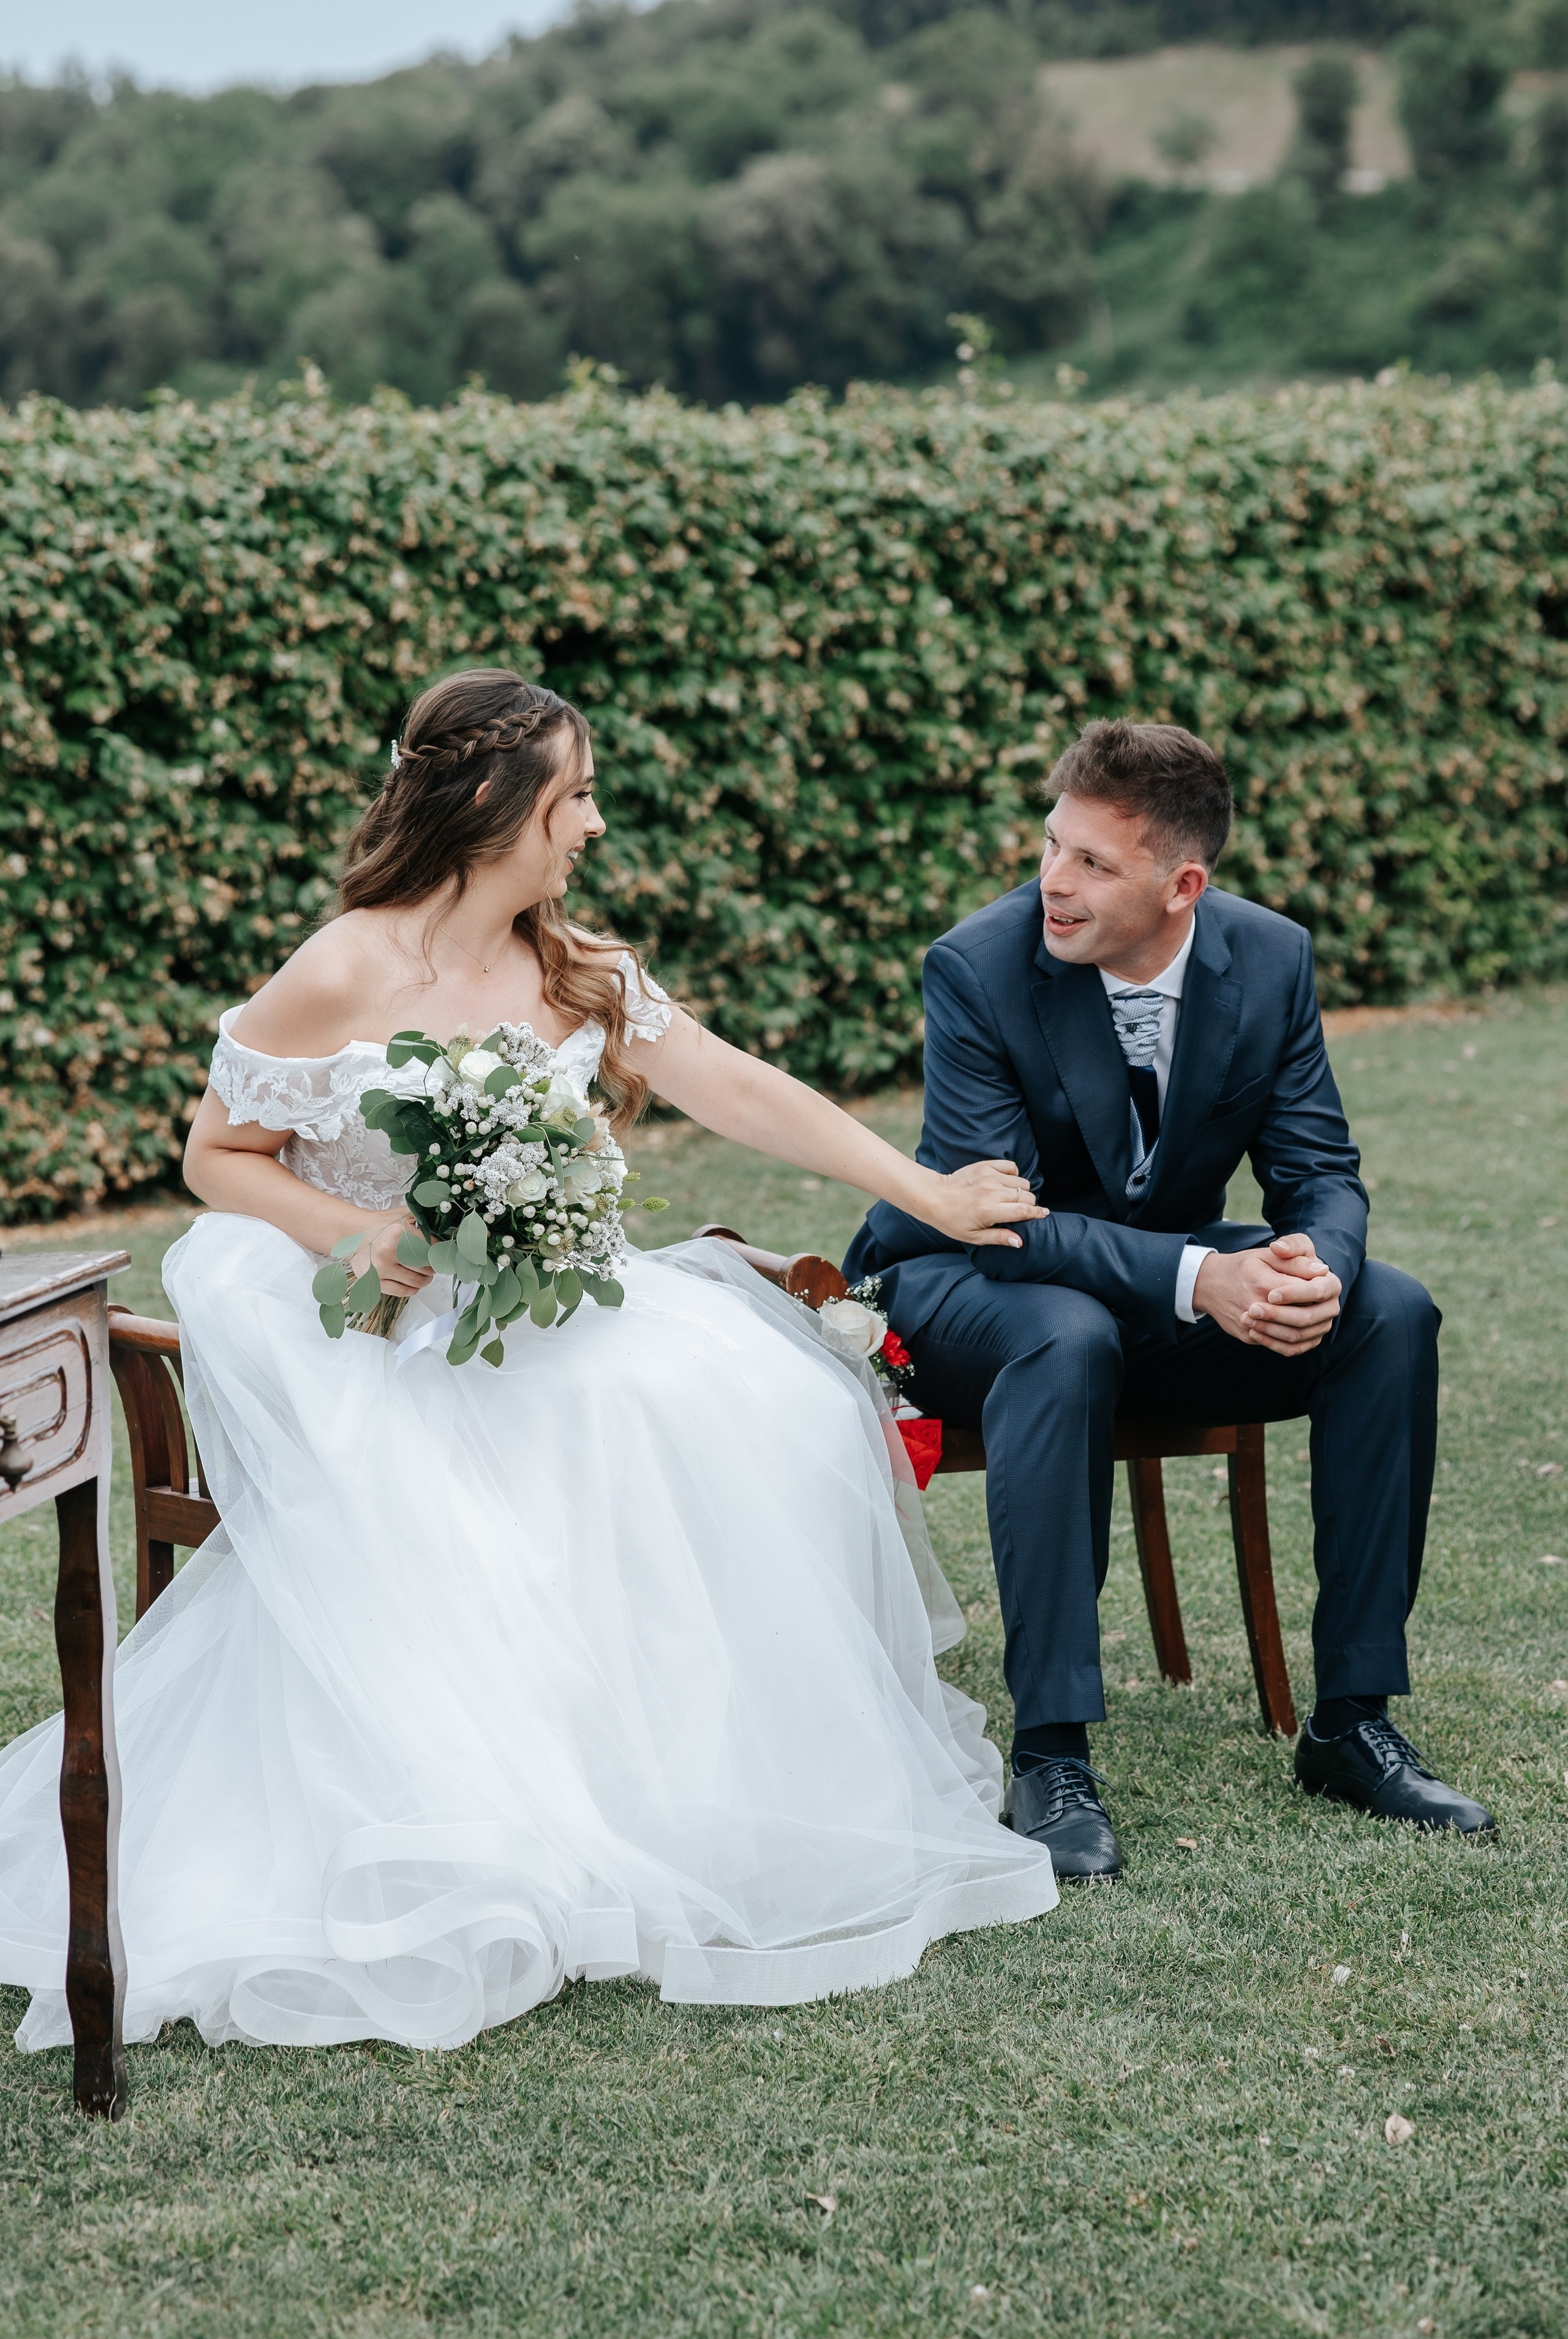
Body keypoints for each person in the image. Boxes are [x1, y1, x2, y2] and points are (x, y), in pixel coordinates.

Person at [0, 671, 1059, 2054]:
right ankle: (508, 1821)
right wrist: (361, 1232)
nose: (595, 825)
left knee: (733, 1401)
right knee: (549, 1437)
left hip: (538, 1303)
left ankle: (687, 1794)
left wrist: (922, 1191)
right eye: (575, 798)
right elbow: (214, 1154)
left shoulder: (579, 969)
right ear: (496, 807)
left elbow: (738, 1086)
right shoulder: (344, 966)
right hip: (377, 1322)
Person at [846, 718, 1494, 1881]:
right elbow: (999, 1219)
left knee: (1390, 1312)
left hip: (1140, 1292)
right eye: (1053, 845)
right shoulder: (978, 966)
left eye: (1095, 862)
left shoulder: (1272, 957)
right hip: (967, 1285)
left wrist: (1315, 1271)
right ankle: (1051, 1753)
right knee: (1065, 1330)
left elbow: (1319, 1172)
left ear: (1183, 884)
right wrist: (1206, 1278)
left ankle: (1350, 1723)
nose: (1055, 879)